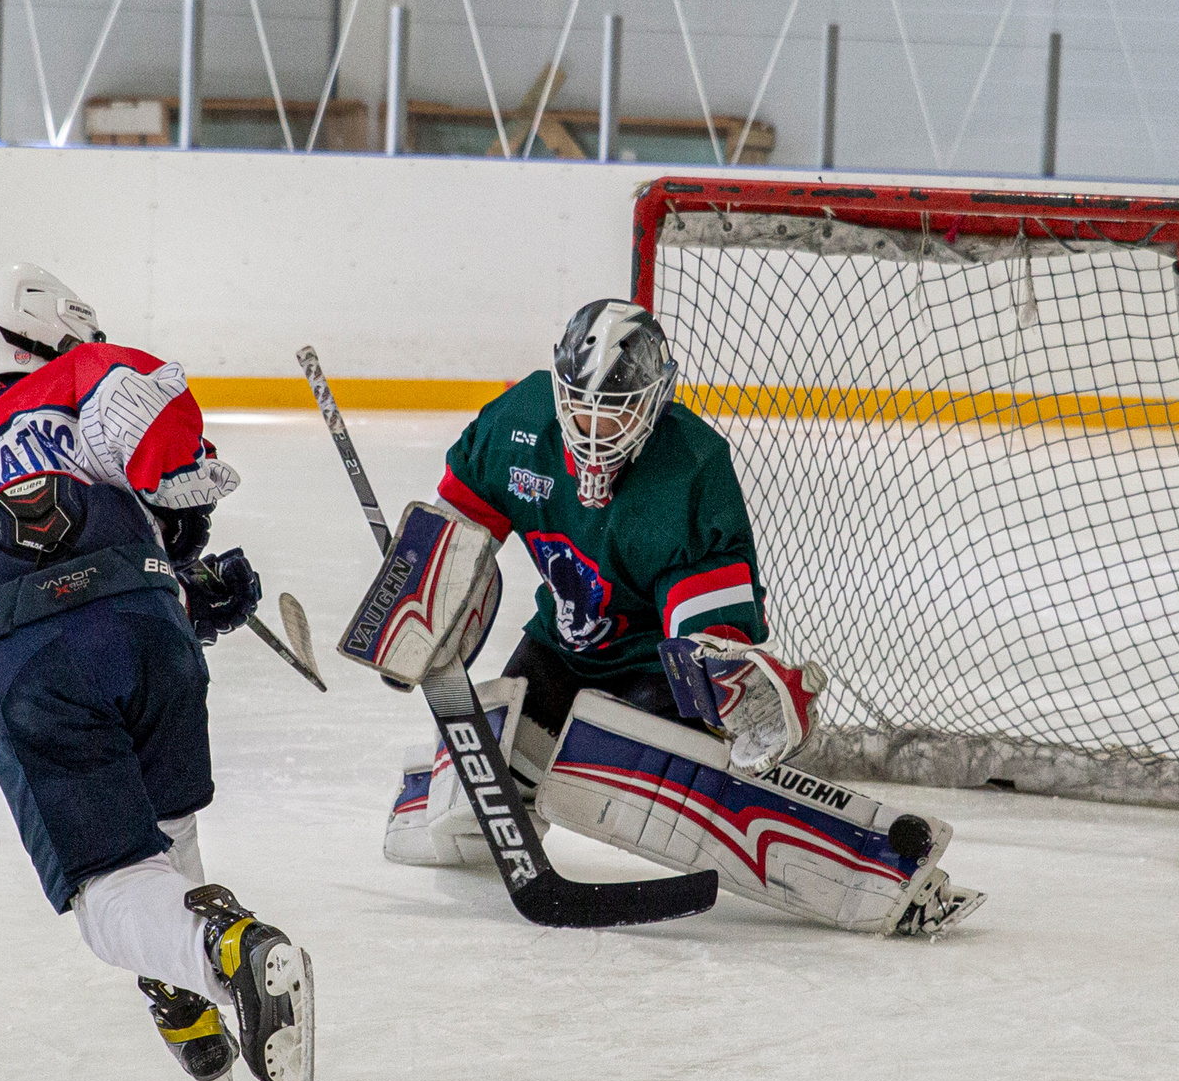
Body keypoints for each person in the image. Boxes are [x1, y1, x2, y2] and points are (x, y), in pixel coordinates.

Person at [375, 299, 983, 937]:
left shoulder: (690, 468)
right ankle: (436, 788)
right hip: (560, 647)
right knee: (470, 796)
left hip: (652, 670)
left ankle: (879, 871)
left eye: (614, 412)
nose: (592, 428)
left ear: (654, 401)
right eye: (580, 406)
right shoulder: (518, 423)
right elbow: (456, 531)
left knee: (643, 784)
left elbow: (704, 633)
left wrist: (729, 683)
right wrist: (417, 597)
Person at [0, 263, 313, 1081]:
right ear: (52, 332)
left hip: (32, 664)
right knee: (165, 821)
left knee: (108, 886)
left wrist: (170, 560)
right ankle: (181, 992)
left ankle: (219, 952)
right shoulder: (84, 372)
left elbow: (31, 564)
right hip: (147, 636)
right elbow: (156, 434)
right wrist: (185, 564)